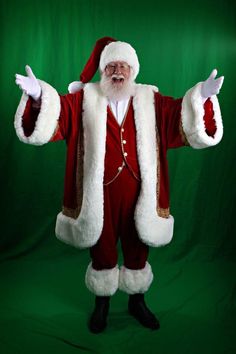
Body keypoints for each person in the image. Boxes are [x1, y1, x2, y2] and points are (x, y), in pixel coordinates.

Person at [14, 36, 224, 333]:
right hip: (98, 194)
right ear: (102, 70)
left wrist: (201, 96)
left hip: (142, 192)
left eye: (123, 66)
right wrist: (38, 96)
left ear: (133, 70)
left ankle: (137, 301)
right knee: (101, 246)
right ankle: (102, 305)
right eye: (111, 65)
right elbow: (58, 113)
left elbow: (179, 118)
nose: (117, 71)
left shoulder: (151, 100)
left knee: (139, 246)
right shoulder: (84, 98)